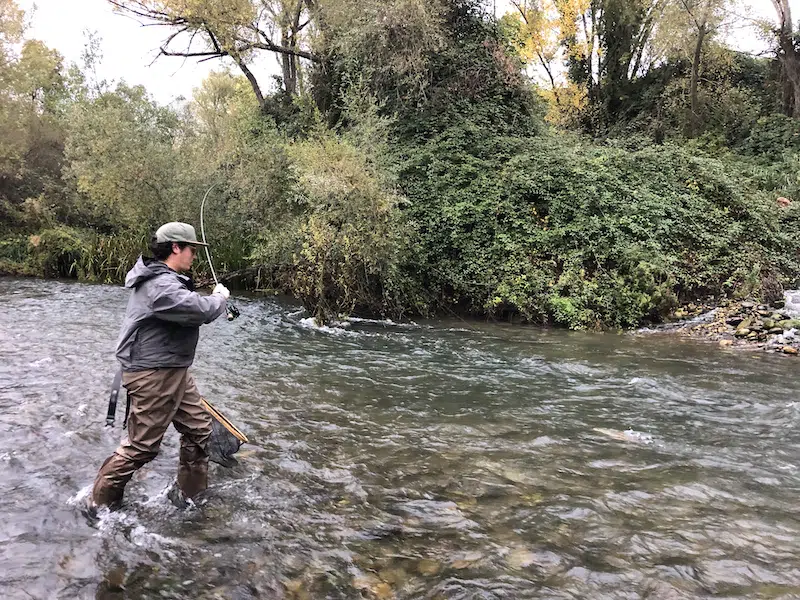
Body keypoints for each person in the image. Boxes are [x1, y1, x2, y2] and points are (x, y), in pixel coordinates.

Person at [90, 222, 230, 510]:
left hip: (173, 371)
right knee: (141, 447)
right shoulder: (160, 286)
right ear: (176, 247)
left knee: (199, 431)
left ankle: (192, 498)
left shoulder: (163, 280)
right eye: (192, 249)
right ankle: (99, 506)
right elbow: (197, 310)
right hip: (154, 375)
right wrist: (219, 298)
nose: (194, 255)